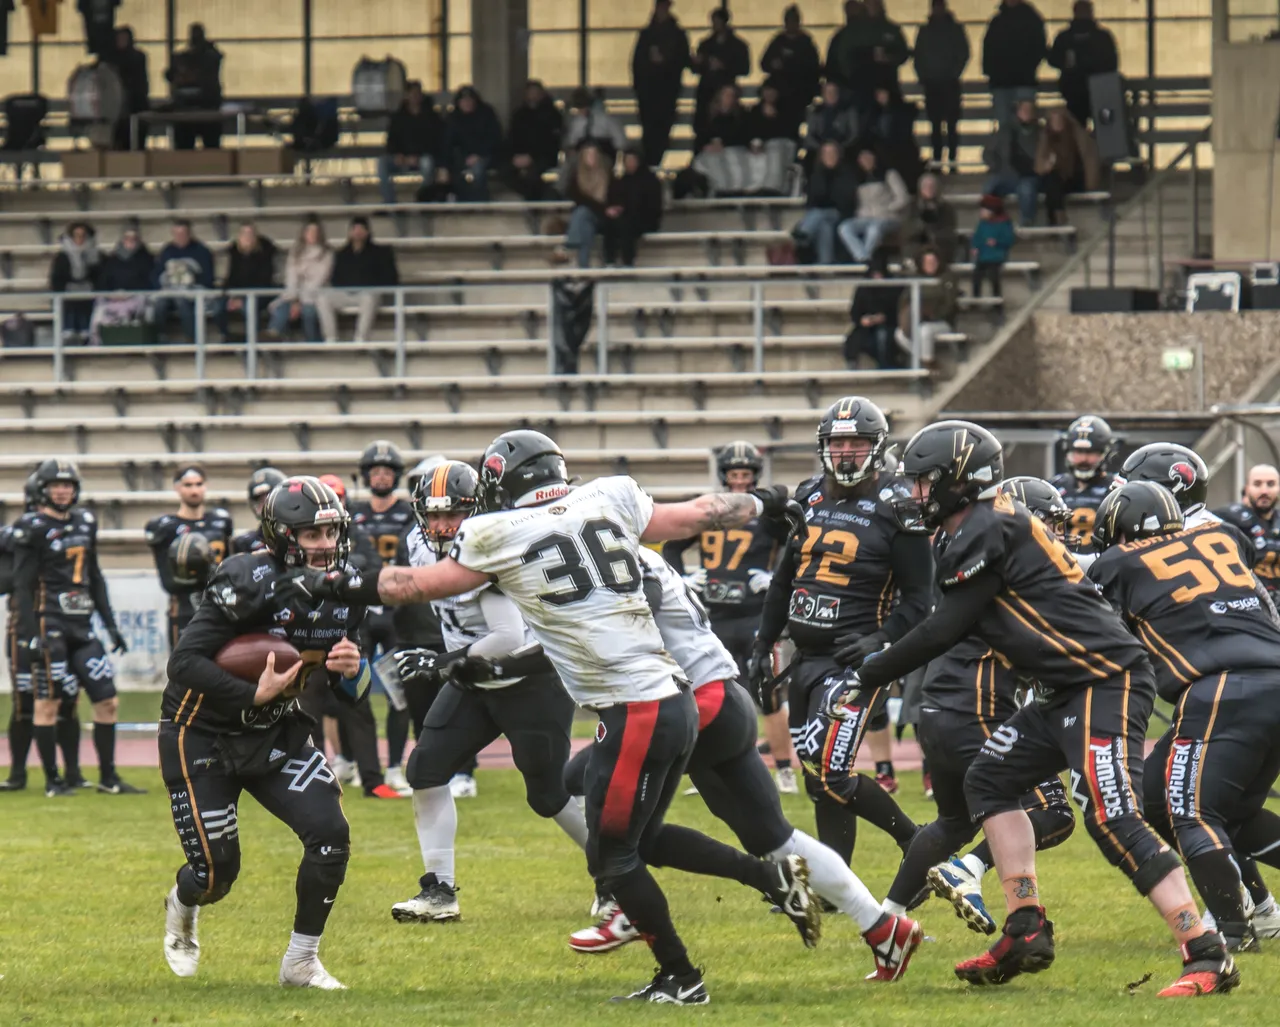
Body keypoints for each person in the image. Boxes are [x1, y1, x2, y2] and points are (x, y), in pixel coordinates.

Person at [277, 429, 825, 1004]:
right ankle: (765, 883)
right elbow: (700, 512)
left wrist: (327, 581)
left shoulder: (498, 531)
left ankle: (682, 976)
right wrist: (765, 500)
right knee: (635, 839)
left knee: (613, 855)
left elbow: (413, 585)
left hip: (635, 706)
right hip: (668, 695)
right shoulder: (608, 495)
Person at [830, 419, 1236, 996]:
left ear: (957, 481)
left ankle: (1207, 952)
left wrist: (869, 673)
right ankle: (1025, 926)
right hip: (1063, 686)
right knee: (990, 780)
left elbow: (946, 627)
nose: (914, 493)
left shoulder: (986, 525)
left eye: (923, 482)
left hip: (1103, 679)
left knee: (1112, 815)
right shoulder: (976, 526)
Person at [566, 544, 925, 979]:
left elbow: (641, 613)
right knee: (774, 838)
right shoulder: (626, 549)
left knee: (594, 796)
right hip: (723, 700)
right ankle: (883, 927)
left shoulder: (615, 554)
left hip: (692, 704)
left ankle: (636, 910)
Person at [159, 476, 370, 989]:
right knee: (215, 875)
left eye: (331, 532)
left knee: (331, 836)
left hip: (275, 731)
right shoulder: (247, 578)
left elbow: (352, 694)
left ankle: (301, 962)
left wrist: (352, 670)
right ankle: (182, 905)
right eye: (312, 534)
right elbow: (183, 663)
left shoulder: (345, 590)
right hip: (202, 733)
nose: (325, 545)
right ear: (282, 537)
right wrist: (250, 693)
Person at [389, 461, 588, 922]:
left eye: (452, 514)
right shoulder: (417, 542)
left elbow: (508, 638)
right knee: (425, 770)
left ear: (475, 511)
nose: (442, 525)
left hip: (527, 678)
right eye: (433, 514)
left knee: (548, 795)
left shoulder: (491, 544)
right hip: (473, 678)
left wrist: (439, 662)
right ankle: (440, 891)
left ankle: (615, 875)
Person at [1089, 480, 1274, 972]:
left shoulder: (1118, 562)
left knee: (1190, 812)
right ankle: (1253, 913)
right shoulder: (1222, 535)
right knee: (1207, 806)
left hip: (1222, 687)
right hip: (1266, 674)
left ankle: (1231, 931)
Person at [884, 477, 1076, 934]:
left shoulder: (974, 553)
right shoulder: (1013, 566)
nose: (1056, 536)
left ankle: (886, 918)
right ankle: (968, 871)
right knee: (1052, 812)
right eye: (1048, 525)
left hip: (939, 708)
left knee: (953, 822)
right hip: (979, 711)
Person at [748, 398, 930, 865]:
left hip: (855, 661)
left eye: (857, 443)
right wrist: (764, 642)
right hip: (805, 658)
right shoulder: (809, 494)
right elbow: (784, 580)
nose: (846, 452)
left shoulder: (898, 505)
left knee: (830, 773)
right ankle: (838, 881)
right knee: (818, 779)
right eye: (838, 442)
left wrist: (879, 640)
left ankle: (916, 840)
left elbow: (919, 600)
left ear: (876, 446)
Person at [662, 442, 798, 793]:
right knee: (709, 694)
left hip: (756, 617)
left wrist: (778, 577)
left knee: (767, 693)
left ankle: (785, 770)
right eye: (734, 475)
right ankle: (707, 770)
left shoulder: (768, 516)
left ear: (755, 477)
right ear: (725, 476)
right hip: (715, 618)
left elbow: (799, 542)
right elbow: (672, 545)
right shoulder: (712, 510)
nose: (740, 482)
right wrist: (681, 577)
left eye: (745, 475)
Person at [12, 459, 138, 797]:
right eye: (56, 485)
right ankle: (53, 781)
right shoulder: (32, 527)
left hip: (82, 628)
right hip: (49, 624)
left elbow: (95, 576)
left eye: (67, 485)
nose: (62, 491)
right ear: (43, 489)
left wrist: (110, 626)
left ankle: (108, 778)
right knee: (48, 703)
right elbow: (21, 586)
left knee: (107, 700)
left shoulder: (85, 521)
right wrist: (29, 635)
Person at [349, 441, 418, 798]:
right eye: (374, 471)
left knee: (398, 693)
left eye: (386, 471)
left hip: (395, 613)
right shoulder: (353, 514)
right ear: (365, 476)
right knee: (354, 691)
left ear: (396, 476)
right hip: (361, 613)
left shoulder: (408, 513)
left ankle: (393, 767)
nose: (380, 477)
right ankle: (362, 765)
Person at [144, 465, 234, 649]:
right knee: (185, 663)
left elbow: (230, 567)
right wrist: (204, 574)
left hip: (220, 607)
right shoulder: (166, 528)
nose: (194, 490)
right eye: (188, 485)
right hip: (184, 608)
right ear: (177, 487)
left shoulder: (220, 522)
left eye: (198, 484)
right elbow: (168, 581)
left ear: (205, 485)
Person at [318, 217, 398, 343]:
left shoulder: (382, 252)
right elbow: (335, 279)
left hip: (369, 294)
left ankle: (361, 338)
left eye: (361, 229)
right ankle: (331, 338)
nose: (358, 232)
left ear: (368, 232)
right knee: (322, 298)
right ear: (350, 232)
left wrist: (367, 284)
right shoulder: (341, 254)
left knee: (369, 297)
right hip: (347, 293)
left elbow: (391, 278)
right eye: (355, 229)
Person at [631, 0, 690, 168]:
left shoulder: (676, 35)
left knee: (661, 128)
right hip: (650, 91)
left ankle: (654, 161)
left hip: (665, 91)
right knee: (651, 129)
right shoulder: (648, 34)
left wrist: (664, 62)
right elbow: (637, 63)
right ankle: (651, 162)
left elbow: (683, 59)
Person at [827, 0, 909, 120]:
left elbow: (903, 54)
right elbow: (843, 56)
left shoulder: (891, 29)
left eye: (875, 3)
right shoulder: (853, 31)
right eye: (869, 3)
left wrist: (888, 57)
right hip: (860, 87)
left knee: (889, 121)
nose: (872, 6)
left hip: (887, 85)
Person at [912, 0, 969, 171]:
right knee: (935, 125)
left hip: (949, 83)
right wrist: (923, 76)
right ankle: (937, 160)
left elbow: (963, 53)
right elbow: (918, 57)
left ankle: (952, 160)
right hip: (933, 84)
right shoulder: (925, 31)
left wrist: (954, 73)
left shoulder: (955, 30)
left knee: (951, 125)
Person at [1048, 413, 1119, 550]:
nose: (1083, 459)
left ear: (1105, 453)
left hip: (1101, 560)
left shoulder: (1117, 488)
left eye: (1091, 453)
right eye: (1078, 452)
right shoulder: (1054, 486)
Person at [1048, 0, 1118, 128]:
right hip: (1101, 90)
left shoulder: (1065, 37)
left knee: (1077, 129)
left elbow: (1053, 59)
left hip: (1073, 90)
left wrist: (1067, 64)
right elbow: (1112, 64)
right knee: (1104, 130)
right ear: (1091, 13)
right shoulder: (1102, 37)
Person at [1216, 464, 1280, 596]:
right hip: (1246, 599)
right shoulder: (1226, 519)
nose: (1264, 491)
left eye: (1271, 484)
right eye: (1257, 484)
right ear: (1247, 489)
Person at [982, 0, 1046, 129]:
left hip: (1005, 80)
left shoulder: (998, 21)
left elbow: (988, 48)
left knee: (1010, 125)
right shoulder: (1032, 19)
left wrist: (990, 71)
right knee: (1022, 125)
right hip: (1020, 79)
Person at [838, 147, 909, 263]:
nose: (865, 160)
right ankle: (862, 257)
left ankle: (864, 260)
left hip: (888, 217)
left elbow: (903, 198)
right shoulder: (857, 179)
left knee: (874, 229)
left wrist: (888, 208)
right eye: (862, 158)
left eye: (868, 157)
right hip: (865, 217)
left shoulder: (889, 174)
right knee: (844, 228)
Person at [378, 80, 443, 206]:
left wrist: (417, 156)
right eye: (411, 93)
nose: (414, 97)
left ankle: (423, 200)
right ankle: (390, 203)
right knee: (382, 163)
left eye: (417, 93)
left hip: (422, 157)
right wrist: (397, 154)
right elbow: (391, 140)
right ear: (406, 95)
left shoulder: (431, 116)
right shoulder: (398, 117)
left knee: (428, 163)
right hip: (402, 158)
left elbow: (435, 141)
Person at [794, 140, 859, 265]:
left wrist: (826, 197)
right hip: (821, 217)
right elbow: (812, 199)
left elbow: (845, 200)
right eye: (826, 153)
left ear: (838, 155)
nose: (829, 156)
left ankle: (804, 232)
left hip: (841, 213)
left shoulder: (847, 174)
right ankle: (825, 262)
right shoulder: (816, 174)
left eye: (832, 153)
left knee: (820, 214)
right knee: (825, 225)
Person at [760, 5, 821, 137]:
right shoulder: (778, 41)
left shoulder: (806, 42)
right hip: (779, 93)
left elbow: (815, 69)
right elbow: (764, 64)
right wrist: (773, 64)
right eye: (788, 20)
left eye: (794, 20)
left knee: (794, 124)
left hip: (800, 92)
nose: (791, 24)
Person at [268, 219, 332, 342]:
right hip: (294, 295)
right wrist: (295, 300)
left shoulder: (326, 253)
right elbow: (291, 277)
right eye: (309, 231)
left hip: (316, 296)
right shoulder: (295, 252)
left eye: (315, 231)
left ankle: (312, 343)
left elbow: (318, 280)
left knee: (308, 312)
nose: (312, 234)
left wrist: (299, 301)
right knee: (280, 309)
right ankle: (272, 338)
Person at [691, 7, 750, 141]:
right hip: (707, 89)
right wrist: (698, 62)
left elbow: (744, 68)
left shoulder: (737, 45)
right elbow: (695, 69)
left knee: (725, 122)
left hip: (725, 89)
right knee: (704, 124)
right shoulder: (705, 44)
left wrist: (724, 66)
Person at [151, 219, 215, 342]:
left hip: (192, 291)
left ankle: (191, 338)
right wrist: (162, 283)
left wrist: (192, 281)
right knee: (159, 304)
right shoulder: (167, 251)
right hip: (170, 290)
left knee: (182, 301)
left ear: (189, 233)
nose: (180, 237)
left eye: (183, 234)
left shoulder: (201, 251)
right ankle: (158, 337)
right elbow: (156, 274)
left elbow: (208, 277)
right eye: (177, 234)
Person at [1036, 107, 1100, 226]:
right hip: (1055, 180)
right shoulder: (1046, 138)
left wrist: (1091, 184)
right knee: (1052, 182)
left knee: (1053, 184)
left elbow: (1089, 158)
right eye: (1054, 121)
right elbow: (1039, 164)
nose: (1057, 124)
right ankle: (1058, 218)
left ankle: (1056, 220)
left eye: (1059, 120)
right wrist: (1046, 166)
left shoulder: (1076, 136)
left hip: (1074, 177)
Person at [89, 226, 153, 345]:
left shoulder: (146, 259)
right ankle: (96, 341)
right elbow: (103, 281)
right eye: (127, 238)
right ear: (122, 240)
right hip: (112, 297)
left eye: (133, 239)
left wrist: (129, 294)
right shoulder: (112, 260)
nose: (130, 241)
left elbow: (149, 282)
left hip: (136, 297)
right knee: (99, 306)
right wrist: (112, 294)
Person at [983, 99, 1043, 225]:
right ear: (1018, 112)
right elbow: (987, 152)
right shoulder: (1004, 131)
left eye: (1029, 110)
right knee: (990, 187)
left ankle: (1027, 222)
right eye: (1024, 109)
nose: (1026, 112)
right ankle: (990, 223)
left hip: (1029, 175)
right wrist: (996, 167)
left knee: (1026, 190)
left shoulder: (1041, 132)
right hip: (1006, 174)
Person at [895, 245, 957, 367]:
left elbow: (949, 303)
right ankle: (926, 360)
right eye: (927, 262)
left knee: (925, 331)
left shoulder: (947, 278)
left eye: (933, 262)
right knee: (899, 334)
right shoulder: (916, 279)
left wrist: (932, 315)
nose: (931, 265)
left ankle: (928, 363)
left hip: (941, 321)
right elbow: (904, 300)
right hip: (917, 319)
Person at [601, 146, 663, 267]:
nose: (629, 164)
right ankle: (609, 260)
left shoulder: (651, 181)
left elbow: (653, 207)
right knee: (610, 222)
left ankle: (628, 262)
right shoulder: (622, 181)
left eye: (632, 160)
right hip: (625, 217)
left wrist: (628, 209)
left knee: (627, 224)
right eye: (627, 161)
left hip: (646, 219)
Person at [553, 141, 612, 268]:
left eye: (594, 155)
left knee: (582, 212)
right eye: (588, 155)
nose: (591, 158)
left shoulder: (606, 175)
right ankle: (583, 268)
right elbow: (574, 195)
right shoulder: (576, 176)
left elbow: (604, 202)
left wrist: (591, 203)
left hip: (601, 216)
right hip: (586, 218)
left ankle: (569, 245)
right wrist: (593, 203)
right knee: (586, 230)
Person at [215, 222, 277, 343]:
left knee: (249, 307)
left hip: (259, 293)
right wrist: (232, 297)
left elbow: (265, 280)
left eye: (250, 234)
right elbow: (228, 279)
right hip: (235, 293)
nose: (247, 237)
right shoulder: (232, 253)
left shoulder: (265, 252)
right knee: (217, 308)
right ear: (239, 236)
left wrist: (242, 299)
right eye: (244, 234)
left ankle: (254, 341)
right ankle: (226, 336)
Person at [502, 79, 562, 202]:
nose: (533, 96)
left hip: (544, 157)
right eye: (530, 92)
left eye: (535, 92)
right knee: (504, 171)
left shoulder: (552, 114)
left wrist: (532, 157)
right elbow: (511, 138)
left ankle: (536, 204)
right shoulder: (519, 114)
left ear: (542, 94)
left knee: (531, 176)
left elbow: (551, 142)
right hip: (520, 157)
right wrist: (514, 157)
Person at [165, 23, 223, 150]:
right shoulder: (183, 57)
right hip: (185, 110)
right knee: (184, 147)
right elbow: (170, 74)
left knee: (211, 148)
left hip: (208, 108)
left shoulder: (210, 56)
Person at [442, 86, 501, 203]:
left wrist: (479, 155)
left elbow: (494, 138)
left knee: (477, 170)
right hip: (460, 158)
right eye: (464, 100)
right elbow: (446, 143)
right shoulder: (453, 118)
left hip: (485, 155)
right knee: (453, 172)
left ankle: (480, 202)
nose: (467, 103)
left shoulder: (486, 114)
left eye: (470, 100)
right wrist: (443, 166)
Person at [859, 83, 922, 193]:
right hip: (882, 154)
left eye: (883, 93)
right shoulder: (872, 114)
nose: (881, 97)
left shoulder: (902, 111)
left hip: (901, 151)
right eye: (878, 94)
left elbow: (904, 132)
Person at [843, 258, 905, 367]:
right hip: (867, 328)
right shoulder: (863, 289)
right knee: (854, 339)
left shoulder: (894, 288)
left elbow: (898, 310)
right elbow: (855, 312)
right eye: (874, 275)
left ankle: (886, 365)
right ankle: (852, 363)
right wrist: (862, 320)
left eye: (879, 274)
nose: (877, 278)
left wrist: (883, 318)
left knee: (883, 337)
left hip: (889, 325)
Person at [691, 84, 751, 196]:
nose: (729, 98)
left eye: (732, 95)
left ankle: (734, 191)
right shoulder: (707, 115)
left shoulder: (741, 115)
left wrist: (724, 143)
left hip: (734, 150)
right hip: (711, 152)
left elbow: (744, 137)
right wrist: (708, 145)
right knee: (712, 160)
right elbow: (701, 137)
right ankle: (720, 190)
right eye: (726, 95)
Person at [743, 79, 799, 195]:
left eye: (772, 91)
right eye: (766, 91)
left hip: (784, 144)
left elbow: (789, 132)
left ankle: (773, 189)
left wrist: (774, 117)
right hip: (760, 146)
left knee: (774, 149)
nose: (769, 94)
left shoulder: (788, 109)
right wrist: (755, 142)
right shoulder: (755, 110)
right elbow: (750, 131)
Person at [49, 221, 101, 341]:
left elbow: (99, 276)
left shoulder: (96, 256)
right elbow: (56, 279)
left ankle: (86, 332)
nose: (80, 239)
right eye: (76, 235)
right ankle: (68, 331)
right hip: (68, 294)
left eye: (83, 235)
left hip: (89, 293)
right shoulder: (62, 256)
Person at [103, 25, 148, 151]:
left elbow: (141, 83)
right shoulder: (110, 59)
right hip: (115, 109)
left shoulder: (138, 57)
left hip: (135, 105)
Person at [801, 81, 859, 168]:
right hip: (819, 151)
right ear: (823, 94)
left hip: (844, 150)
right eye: (827, 91)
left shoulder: (848, 110)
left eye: (833, 91)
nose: (831, 94)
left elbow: (854, 133)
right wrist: (822, 148)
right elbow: (808, 135)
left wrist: (838, 147)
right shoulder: (815, 112)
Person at [231, 467, 287, 555]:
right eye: (260, 501)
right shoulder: (244, 543)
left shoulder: (298, 535)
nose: (266, 505)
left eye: (270, 497)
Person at [902, 172, 958, 258]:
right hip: (916, 245)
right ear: (920, 188)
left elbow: (950, 230)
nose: (929, 189)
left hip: (940, 245)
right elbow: (906, 230)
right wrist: (921, 227)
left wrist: (933, 235)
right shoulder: (911, 207)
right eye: (926, 186)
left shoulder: (947, 208)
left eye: (932, 186)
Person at [970, 193, 1014, 299]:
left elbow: (1009, 240)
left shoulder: (1004, 223)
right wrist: (975, 247)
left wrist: (997, 242)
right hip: (982, 256)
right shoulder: (982, 224)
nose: (981, 212)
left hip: (996, 257)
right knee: (976, 277)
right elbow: (977, 237)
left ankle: (997, 301)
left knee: (994, 277)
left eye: (983, 210)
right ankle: (976, 299)